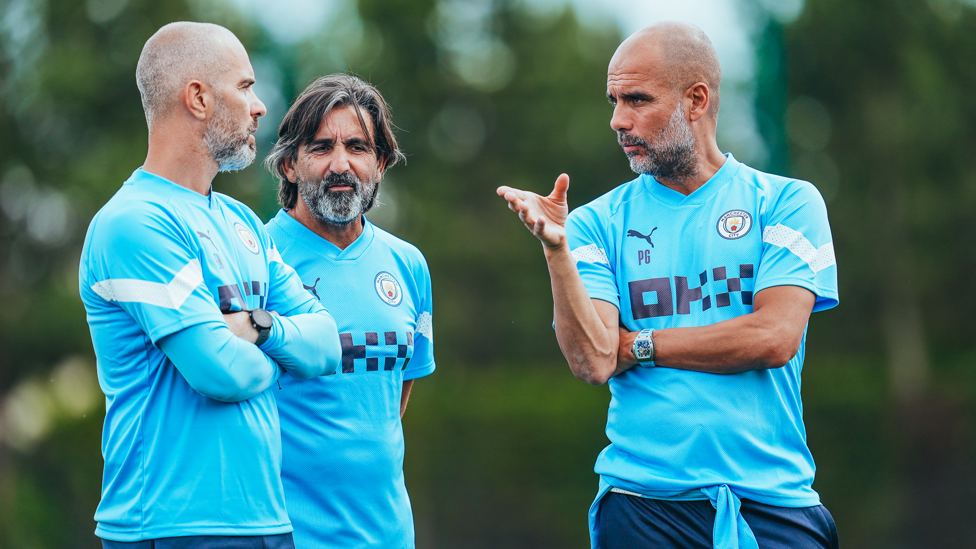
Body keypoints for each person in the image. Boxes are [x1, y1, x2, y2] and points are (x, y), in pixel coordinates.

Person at [497, 22, 839, 549]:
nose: (617, 120)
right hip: (642, 506)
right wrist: (556, 251)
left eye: (636, 99)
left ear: (696, 100)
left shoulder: (787, 202)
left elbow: (773, 338)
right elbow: (594, 360)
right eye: (613, 100)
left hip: (773, 503)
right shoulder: (592, 223)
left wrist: (643, 345)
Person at [79, 22, 342, 549]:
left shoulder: (242, 220)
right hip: (171, 527)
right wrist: (281, 348)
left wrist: (258, 329)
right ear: (197, 97)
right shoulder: (133, 223)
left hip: (267, 520)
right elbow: (220, 370)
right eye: (245, 87)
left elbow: (328, 344)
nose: (260, 106)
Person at [263, 74, 435, 549]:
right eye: (320, 148)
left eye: (357, 147)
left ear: (380, 164)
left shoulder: (409, 265)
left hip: (390, 535)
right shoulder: (255, 258)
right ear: (290, 166)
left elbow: (392, 401)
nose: (341, 165)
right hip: (286, 536)